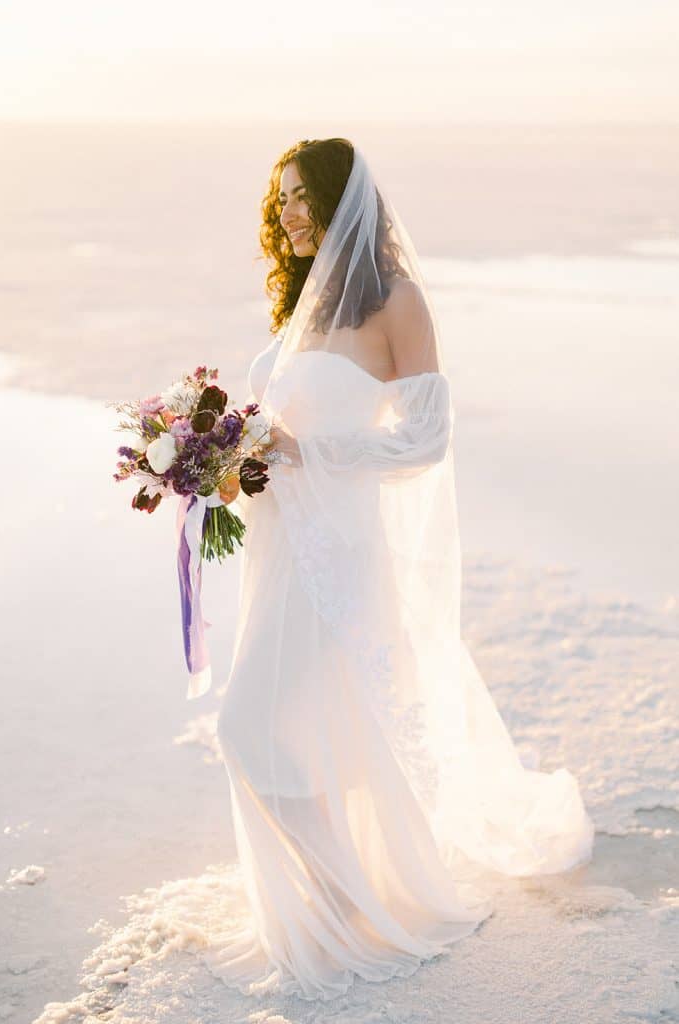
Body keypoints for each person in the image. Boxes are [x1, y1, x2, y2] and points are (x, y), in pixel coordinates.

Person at [204, 137, 595, 1002]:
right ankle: (343, 890)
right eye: (280, 200)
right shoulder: (302, 299)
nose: (288, 214)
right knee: (307, 730)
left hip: (335, 551)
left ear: (344, 201)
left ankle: (348, 906)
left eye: (302, 197)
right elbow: (276, 426)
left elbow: (424, 438)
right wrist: (222, 463)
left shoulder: (399, 304)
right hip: (277, 544)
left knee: (247, 730)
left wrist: (308, 451)